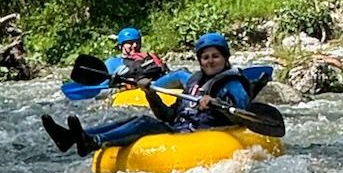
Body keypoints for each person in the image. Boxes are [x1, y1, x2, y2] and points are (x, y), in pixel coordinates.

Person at [42, 32, 254, 157]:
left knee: (143, 121)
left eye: (215, 56)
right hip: (181, 130)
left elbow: (243, 116)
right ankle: (74, 136)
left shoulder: (232, 84)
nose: (210, 61)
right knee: (135, 119)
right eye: (205, 57)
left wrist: (216, 104)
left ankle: (93, 140)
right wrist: (150, 93)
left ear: (225, 58)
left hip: (205, 136)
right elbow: (169, 116)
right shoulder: (194, 82)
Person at [105, 27, 170, 87]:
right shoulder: (112, 63)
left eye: (137, 42)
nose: (135, 45)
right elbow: (103, 89)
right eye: (130, 43)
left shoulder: (149, 59)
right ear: (120, 46)